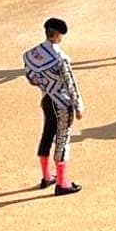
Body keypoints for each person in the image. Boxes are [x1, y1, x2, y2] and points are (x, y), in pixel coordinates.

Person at [22, 18, 84, 196]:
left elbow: (31, 78)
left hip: (46, 100)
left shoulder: (32, 54)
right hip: (62, 103)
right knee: (62, 140)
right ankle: (62, 183)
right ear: (57, 35)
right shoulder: (60, 59)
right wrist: (78, 105)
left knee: (47, 134)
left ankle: (46, 176)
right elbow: (71, 85)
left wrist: (45, 85)